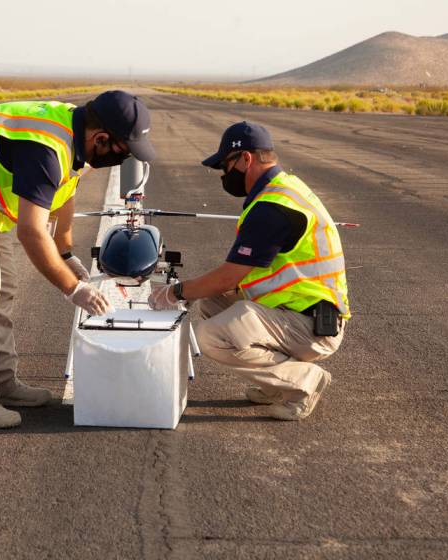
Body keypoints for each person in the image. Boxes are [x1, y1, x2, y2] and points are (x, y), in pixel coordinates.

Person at [0, 90, 155, 428]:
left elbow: (63, 193)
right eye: (123, 152)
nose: (123, 159)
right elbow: (31, 231)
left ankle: (2, 383)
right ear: (101, 138)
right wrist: (72, 288)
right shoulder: (44, 148)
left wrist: (66, 253)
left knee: (4, 289)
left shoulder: (76, 133)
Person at [149, 121, 350, 421]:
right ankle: (274, 385)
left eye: (226, 166)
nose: (224, 175)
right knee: (212, 305)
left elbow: (231, 276)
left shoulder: (273, 207)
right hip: (296, 309)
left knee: (210, 337)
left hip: (312, 326)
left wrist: (175, 292)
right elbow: (245, 276)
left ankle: (303, 382)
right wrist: (196, 293)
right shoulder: (283, 188)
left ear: (246, 159)